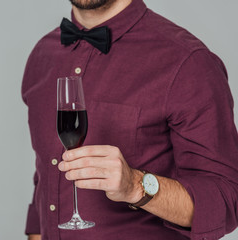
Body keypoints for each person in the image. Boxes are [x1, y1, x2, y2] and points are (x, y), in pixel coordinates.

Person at [21, 0, 238, 239]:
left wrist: (136, 185)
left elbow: (225, 201)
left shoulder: (188, 62)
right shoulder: (42, 55)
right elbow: (45, 173)